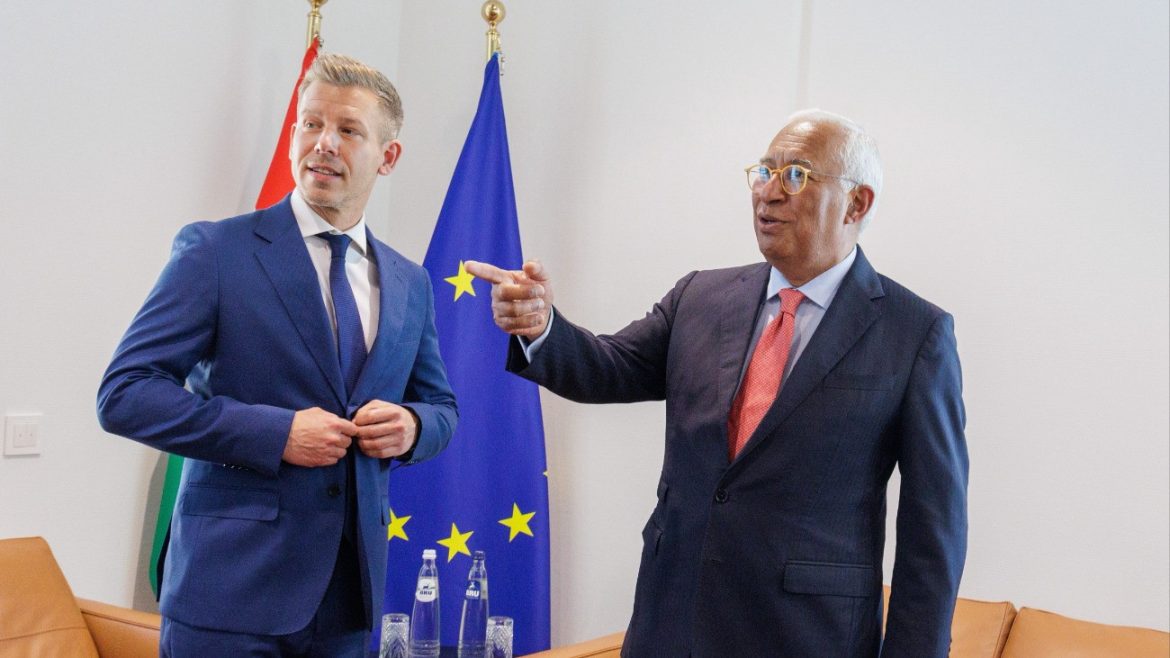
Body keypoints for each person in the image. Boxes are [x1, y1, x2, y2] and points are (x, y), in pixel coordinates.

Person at [466, 109, 967, 657]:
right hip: (671, 625)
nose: (768, 193)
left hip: (806, 636)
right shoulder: (701, 298)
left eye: (795, 175)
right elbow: (606, 367)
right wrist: (542, 326)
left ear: (856, 203)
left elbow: (933, 533)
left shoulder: (914, 333)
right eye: (764, 172)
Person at [97, 53, 457, 656]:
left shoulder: (410, 282)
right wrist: (277, 433)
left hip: (348, 602)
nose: (324, 143)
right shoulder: (216, 251)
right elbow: (124, 394)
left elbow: (441, 406)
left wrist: (413, 426)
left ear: (388, 156)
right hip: (228, 594)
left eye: (348, 130)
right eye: (311, 124)